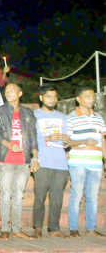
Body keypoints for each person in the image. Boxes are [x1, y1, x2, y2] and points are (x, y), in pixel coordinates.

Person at [0, 83, 39, 240]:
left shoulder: (28, 113)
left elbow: (32, 136)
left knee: (19, 194)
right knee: (5, 194)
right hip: (6, 158)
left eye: (12, 90)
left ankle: (17, 229)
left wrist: (35, 158)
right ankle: (5, 228)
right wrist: (10, 146)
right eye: (7, 91)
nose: (9, 92)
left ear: (20, 93)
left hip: (24, 160)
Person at [64, 86, 106, 238]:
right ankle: (74, 229)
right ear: (78, 99)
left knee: (92, 197)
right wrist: (84, 141)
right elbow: (66, 142)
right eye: (87, 96)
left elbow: (103, 140)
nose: (92, 99)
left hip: (95, 163)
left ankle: (91, 228)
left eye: (93, 96)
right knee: (76, 195)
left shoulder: (99, 118)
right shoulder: (70, 118)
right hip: (78, 163)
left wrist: (105, 159)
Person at [31, 85, 70, 239]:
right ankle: (38, 228)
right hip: (43, 161)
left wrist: (66, 140)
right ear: (41, 98)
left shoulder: (61, 116)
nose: (52, 100)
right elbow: (30, 138)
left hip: (60, 162)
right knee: (40, 196)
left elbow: (66, 140)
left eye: (54, 97)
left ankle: (54, 228)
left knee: (57, 197)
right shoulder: (34, 115)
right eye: (48, 96)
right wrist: (47, 138)